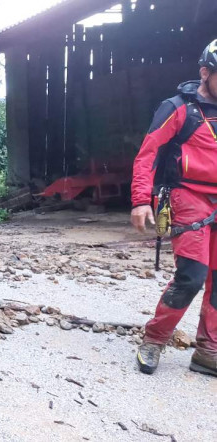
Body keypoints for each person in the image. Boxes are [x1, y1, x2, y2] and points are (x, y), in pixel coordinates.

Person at [132, 39, 217, 377]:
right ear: (205, 72)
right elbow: (148, 154)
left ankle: (208, 350)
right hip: (186, 196)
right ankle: (153, 340)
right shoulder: (179, 108)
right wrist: (140, 200)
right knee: (192, 276)